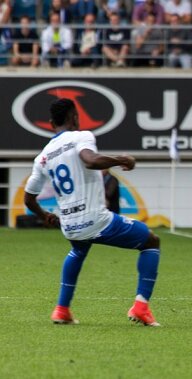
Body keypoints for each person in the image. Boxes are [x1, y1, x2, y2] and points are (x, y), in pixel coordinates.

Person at [23, 98, 161, 326]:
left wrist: (43, 216)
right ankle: (141, 307)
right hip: (96, 220)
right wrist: (122, 159)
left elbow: (29, 198)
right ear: (74, 118)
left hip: (69, 225)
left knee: (78, 250)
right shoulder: (82, 136)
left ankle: (61, 309)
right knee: (151, 241)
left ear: (50, 123)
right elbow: (90, 160)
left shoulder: (42, 157)